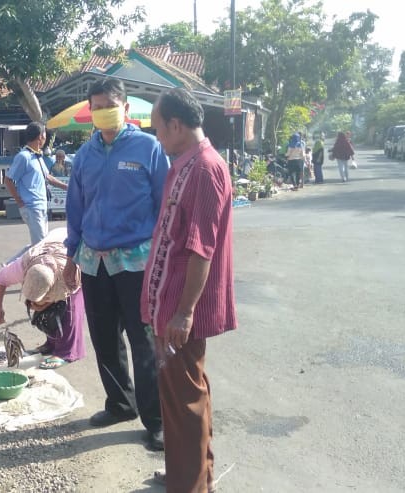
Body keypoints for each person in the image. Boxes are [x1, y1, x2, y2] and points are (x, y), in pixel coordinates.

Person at [62, 78, 169, 451]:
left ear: (125, 108)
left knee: (144, 342)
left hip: (137, 261)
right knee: (105, 339)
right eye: (96, 105)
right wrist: (70, 255)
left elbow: (164, 205)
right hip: (93, 261)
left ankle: (155, 420)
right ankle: (120, 404)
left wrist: (163, 258)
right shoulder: (85, 155)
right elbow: (75, 208)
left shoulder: (149, 147)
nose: (102, 111)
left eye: (109, 104)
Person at [143, 88, 237, 492]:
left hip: (180, 308)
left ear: (176, 126)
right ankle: (191, 473)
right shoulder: (186, 164)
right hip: (169, 304)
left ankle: (192, 485)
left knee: (185, 400)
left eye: (158, 129)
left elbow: (201, 249)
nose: (157, 137)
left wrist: (184, 312)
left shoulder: (202, 169)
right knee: (182, 397)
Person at [0, 228, 86, 370]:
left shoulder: (70, 276)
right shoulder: (22, 266)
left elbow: (79, 284)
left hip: (75, 250)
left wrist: (48, 302)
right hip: (52, 246)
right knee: (47, 313)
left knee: (69, 308)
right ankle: (52, 343)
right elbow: (0, 279)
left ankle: (66, 352)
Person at [5, 122, 69, 246]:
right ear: (40, 136)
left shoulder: (38, 156)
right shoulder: (24, 157)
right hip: (31, 207)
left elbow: (48, 177)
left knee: (40, 244)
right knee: (41, 246)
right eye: (45, 134)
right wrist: (19, 201)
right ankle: (13, 264)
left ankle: (12, 264)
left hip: (41, 206)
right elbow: (8, 180)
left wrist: (67, 187)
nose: (46, 137)